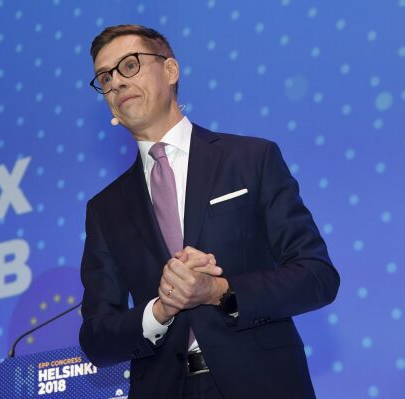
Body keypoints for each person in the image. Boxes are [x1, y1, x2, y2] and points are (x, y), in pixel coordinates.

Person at [79, 24, 339, 399]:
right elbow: (96, 337)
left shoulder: (251, 160)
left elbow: (317, 277)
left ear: (170, 71)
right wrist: (158, 310)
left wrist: (219, 290)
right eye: (105, 76)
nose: (116, 82)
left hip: (262, 383)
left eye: (129, 66)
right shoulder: (105, 208)